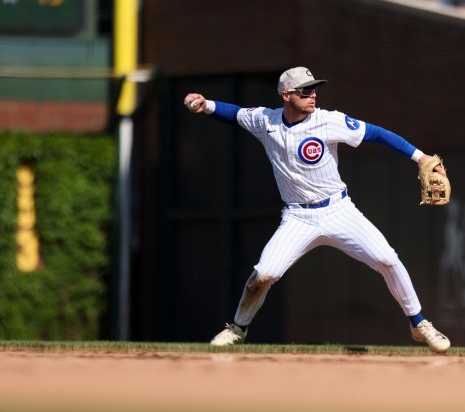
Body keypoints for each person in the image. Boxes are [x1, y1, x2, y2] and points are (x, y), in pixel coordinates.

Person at [183, 67, 451, 353]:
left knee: (387, 259)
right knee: (264, 274)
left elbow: (375, 134)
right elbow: (235, 114)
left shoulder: (327, 121)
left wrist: (420, 157)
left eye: (314, 89)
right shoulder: (266, 121)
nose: (313, 95)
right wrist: (206, 105)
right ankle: (237, 329)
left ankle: (419, 324)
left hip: (338, 210)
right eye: (305, 90)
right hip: (298, 217)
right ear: (286, 95)